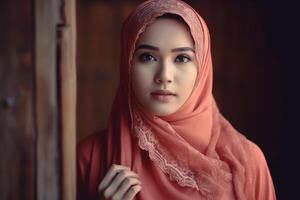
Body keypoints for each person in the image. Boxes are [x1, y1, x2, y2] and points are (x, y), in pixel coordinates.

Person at [77, 0, 277, 199]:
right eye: (147, 57)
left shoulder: (247, 164)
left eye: (181, 58)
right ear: (127, 64)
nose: (164, 75)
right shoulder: (90, 158)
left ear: (202, 69)